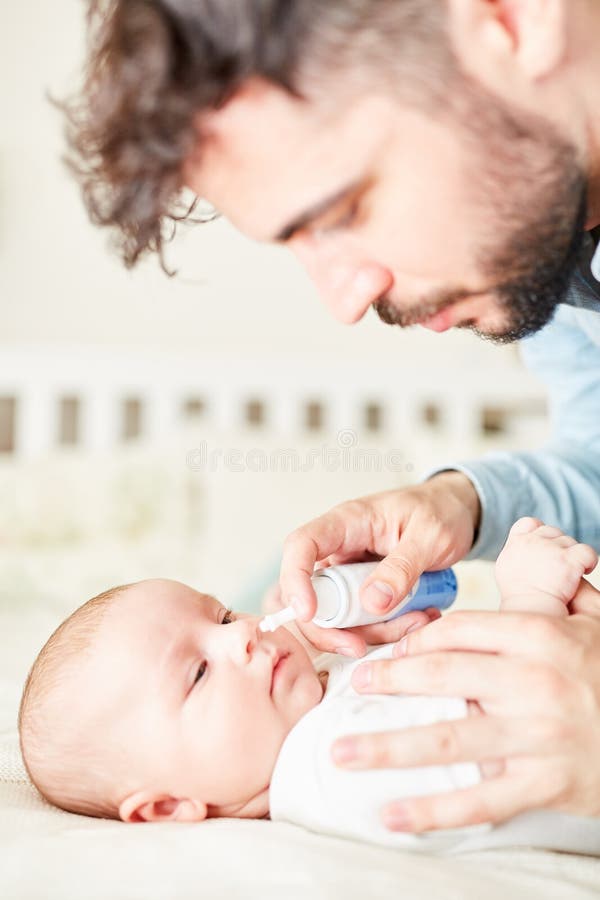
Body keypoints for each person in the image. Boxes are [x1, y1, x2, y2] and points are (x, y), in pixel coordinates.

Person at [65, 2, 600, 833]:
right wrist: (464, 504)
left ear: (512, 18)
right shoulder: (557, 253)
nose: (346, 299)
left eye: (342, 212)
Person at [17, 519, 600, 854]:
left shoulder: (315, 710)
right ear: (169, 806)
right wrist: (533, 599)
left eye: (221, 617)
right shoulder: (328, 768)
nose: (241, 636)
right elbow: (517, 729)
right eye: (197, 673)